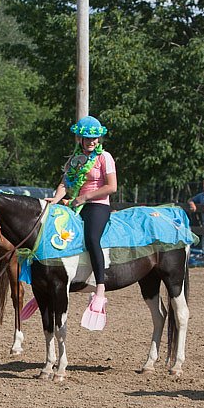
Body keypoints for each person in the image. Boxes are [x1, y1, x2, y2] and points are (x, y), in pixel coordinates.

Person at [46, 115, 117, 315]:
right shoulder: (74, 160)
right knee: (56, 234)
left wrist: (84, 198)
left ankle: (100, 288)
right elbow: (64, 184)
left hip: (97, 205)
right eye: (88, 138)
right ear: (81, 139)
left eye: (95, 138)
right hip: (77, 204)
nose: (92, 141)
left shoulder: (105, 158)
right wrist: (55, 199)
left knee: (92, 239)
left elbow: (111, 187)